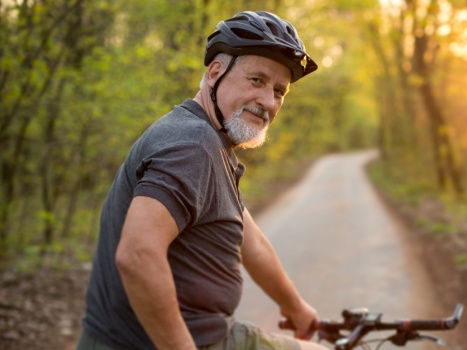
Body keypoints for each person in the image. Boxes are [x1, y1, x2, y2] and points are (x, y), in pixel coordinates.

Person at [77, 11, 326, 350]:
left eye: (279, 91)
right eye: (257, 80)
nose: (268, 101)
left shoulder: (207, 142)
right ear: (215, 73)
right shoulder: (193, 145)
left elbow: (250, 242)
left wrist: (296, 308)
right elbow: (137, 255)